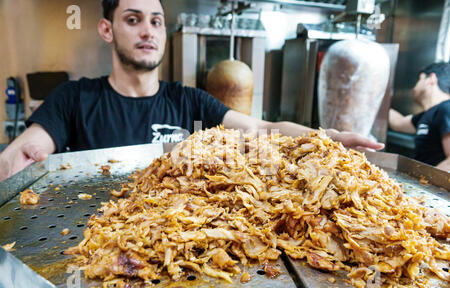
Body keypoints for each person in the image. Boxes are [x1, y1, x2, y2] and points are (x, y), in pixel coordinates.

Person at [0, 0, 384, 182]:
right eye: (132, 20)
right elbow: (26, 151)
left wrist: (321, 138)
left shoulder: (188, 101)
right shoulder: (74, 98)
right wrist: (13, 163)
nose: (148, 31)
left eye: (156, 21)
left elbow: (256, 130)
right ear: (106, 29)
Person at [389, 62, 450, 171]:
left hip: (433, 186)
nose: (414, 88)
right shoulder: (427, 115)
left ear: (431, 79)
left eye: (419, 79)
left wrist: (424, 183)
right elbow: (398, 123)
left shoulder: (446, 108)